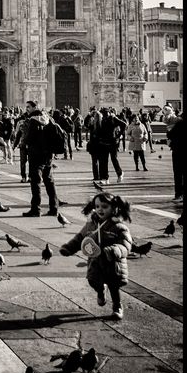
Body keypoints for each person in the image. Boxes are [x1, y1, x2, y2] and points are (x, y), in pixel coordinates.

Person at [59, 192, 133, 321]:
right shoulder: (91, 224)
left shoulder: (119, 227)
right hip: (95, 262)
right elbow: (80, 238)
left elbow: (126, 246)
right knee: (93, 281)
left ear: (114, 208)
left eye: (104, 206)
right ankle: (100, 290)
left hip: (113, 264)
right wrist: (68, 248)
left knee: (114, 286)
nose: (100, 209)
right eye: (97, 206)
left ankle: (117, 307)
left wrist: (113, 250)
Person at [21, 101, 61, 217]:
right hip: (47, 155)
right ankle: (54, 208)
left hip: (36, 155)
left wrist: (24, 140)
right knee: (49, 181)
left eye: (28, 107)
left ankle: (36, 209)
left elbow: (30, 138)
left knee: (36, 182)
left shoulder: (33, 120)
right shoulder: (47, 118)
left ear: (34, 107)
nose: (27, 109)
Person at [167, 111, 183, 203]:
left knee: (178, 174)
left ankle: (179, 194)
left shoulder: (179, 123)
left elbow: (170, 134)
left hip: (178, 151)